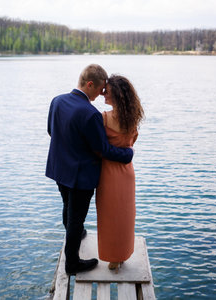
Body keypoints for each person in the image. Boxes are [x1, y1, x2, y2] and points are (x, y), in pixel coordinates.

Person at [46, 64, 134, 275]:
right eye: (101, 88)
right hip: (80, 175)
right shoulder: (90, 114)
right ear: (90, 84)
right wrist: (127, 155)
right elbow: (102, 149)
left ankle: (75, 236)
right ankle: (72, 263)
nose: (102, 93)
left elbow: (51, 131)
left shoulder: (57, 101)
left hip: (60, 169)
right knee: (76, 217)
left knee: (68, 207)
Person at [96, 74, 144, 270]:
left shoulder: (104, 118)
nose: (103, 95)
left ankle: (113, 256)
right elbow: (131, 143)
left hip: (108, 173)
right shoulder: (132, 119)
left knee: (109, 216)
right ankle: (122, 254)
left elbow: (98, 146)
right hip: (126, 173)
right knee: (125, 215)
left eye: (107, 92)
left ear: (116, 96)